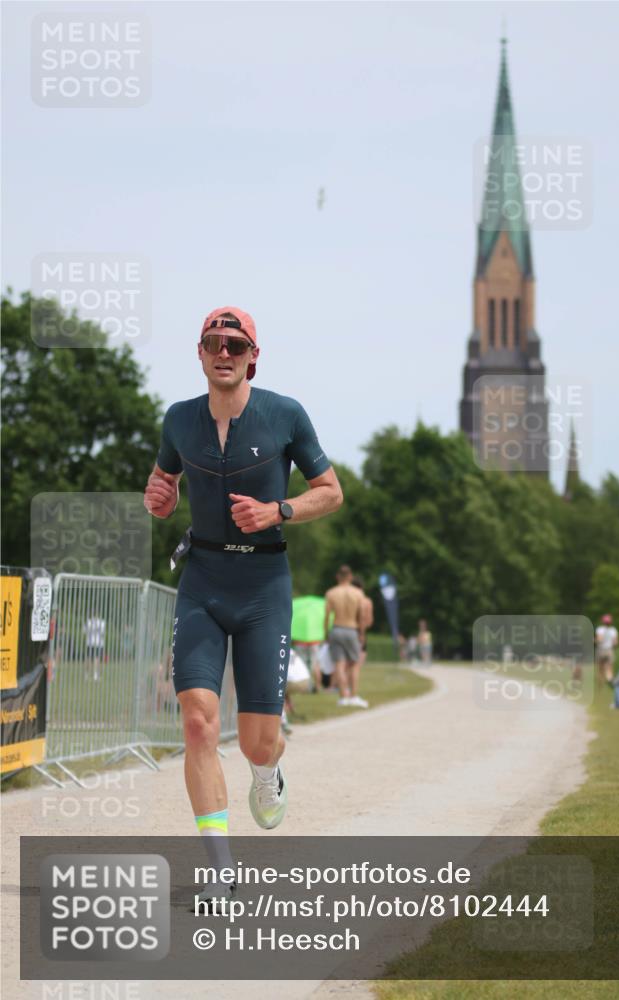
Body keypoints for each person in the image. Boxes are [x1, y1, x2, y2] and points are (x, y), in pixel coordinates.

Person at [143, 306, 342, 911]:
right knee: (199, 722)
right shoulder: (179, 420)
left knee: (259, 741)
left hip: (263, 586)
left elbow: (330, 492)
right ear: (198, 353)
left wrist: (277, 510)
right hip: (203, 579)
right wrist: (158, 496)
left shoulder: (284, 414)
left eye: (235, 343)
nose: (223, 351)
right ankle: (222, 872)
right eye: (213, 342)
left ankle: (266, 772)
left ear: (254, 355)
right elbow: (161, 483)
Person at [324, 565, 367, 708]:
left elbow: (326, 616)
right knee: (354, 664)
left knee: (339, 664)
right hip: (351, 629)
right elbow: (361, 616)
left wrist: (326, 634)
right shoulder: (358, 593)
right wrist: (362, 633)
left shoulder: (331, 593)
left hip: (336, 629)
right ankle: (353, 696)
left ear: (337, 577)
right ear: (350, 577)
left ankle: (343, 697)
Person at [351, 575, 374, 667]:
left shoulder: (350, 599)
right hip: (362, 633)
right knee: (357, 665)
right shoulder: (368, 601)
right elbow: (370, 622)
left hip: (350, 630)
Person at [595, 613, 619, 684]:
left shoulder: (600, 629)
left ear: (603, 621)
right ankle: (610, 682)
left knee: (600, 668)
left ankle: (600, 683)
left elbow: (599, 640)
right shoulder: (613, 630)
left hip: (601, 650)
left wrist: (594, 640)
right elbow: (616, 643)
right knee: (610, 667)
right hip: (609, 650)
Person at [83, 615, 105, 681]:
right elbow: (102, 633)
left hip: (90, 642)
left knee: (88, 658)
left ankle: (87, 674)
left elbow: (84, 631)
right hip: (98, 643)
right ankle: (95, 675)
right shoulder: (101, 622)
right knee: (96, 658)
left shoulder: (89, 622)